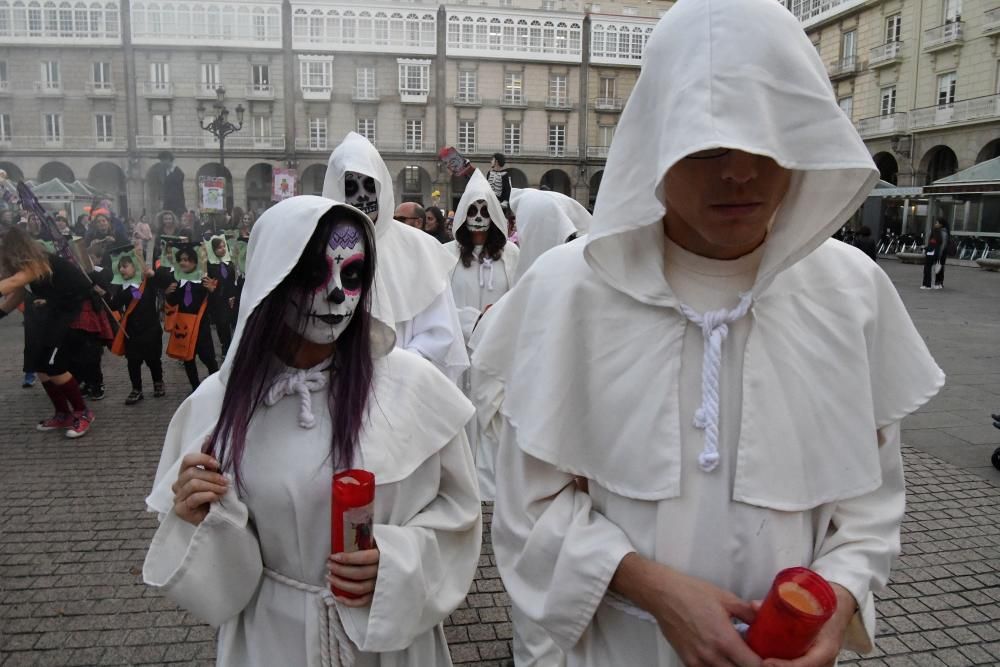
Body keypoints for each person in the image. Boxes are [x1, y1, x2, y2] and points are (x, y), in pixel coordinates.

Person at [472, 1, 946, 665]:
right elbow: (529, 507)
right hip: (620, 645)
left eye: (766, 140)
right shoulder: (569, 291)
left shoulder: (852, 292)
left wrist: (838, 596)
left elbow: (869, 504)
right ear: (660, 140)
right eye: (710, 145)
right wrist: (658, 590)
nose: (740, 172)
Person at [143, 195, 482, 666]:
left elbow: (460, 513)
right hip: (272, 642)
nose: (338, 294)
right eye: (312, 275)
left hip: (387, 639)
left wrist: (397, 565)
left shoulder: (414, 387)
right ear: (272, 279)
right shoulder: (216, 408)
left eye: (354, 274)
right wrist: (198, 517)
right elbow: (221, 587)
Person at [322, 132, 469, 382]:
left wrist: (398, 372)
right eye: (350, 187)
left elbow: (439, 330)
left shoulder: (420, 248)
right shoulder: (317, 247)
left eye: (369, 185)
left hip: (403, 385)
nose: (361, 198)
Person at [0, 226, 96, 438]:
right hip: (56, 313)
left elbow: (12, 283)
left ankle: (83, 412)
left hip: (74, 313)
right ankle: (62, 413)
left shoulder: (37, 262)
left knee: (55, 366)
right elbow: (17, 294)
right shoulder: (27, 265)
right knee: (41, 366)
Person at [445, 170, 519, 347]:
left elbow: (519, 298)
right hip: (457, 346)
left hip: (497, 346)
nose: (478, 217)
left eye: (485, 211)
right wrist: (472, 321)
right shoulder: (445, 253)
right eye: (472, 211)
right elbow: (438, 305)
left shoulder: (511, 253)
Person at [110, 253, 171, 405]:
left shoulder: (147, 282)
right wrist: (103, 294)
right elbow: (113, 305)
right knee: (133, 362)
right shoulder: (121, 288)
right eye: (120, 267)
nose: (122, 270)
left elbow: (165, 282)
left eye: (125, 266)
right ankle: (136, 389)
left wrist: (153, 274)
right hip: (132, 331)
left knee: (153, 360)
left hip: (151, 329)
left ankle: (158, 382)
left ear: (134, 267)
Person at [164, 243, 219, 391]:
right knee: (188, 358)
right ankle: (195, 387)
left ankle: (217, 386)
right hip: (184, 327)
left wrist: (212, 291)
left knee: (208, 358)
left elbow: (214, 306)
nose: (183, 262)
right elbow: (173, 302)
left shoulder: (204, 282)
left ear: (195, 262)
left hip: (201, 327)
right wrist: (168, 294)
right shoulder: (178, 282)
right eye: (181, 259)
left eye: (187, 260)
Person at [205, 235, 237, 357]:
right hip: (217, 299)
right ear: (213, 250)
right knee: (222, 324)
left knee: (231, 323)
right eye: (219, 248)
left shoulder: (229, 263)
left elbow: (232, 281)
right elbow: (209, 282)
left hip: (230, 299)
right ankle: (225, 346)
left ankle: (233, 347)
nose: (222, 249)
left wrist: (233, 295)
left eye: (224, 246)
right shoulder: (209, 265)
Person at [922, 217, 949, 290]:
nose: (935, 224)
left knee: (939, 267)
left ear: (941, 224)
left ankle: (939, 283)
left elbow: (943, 245)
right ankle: (934, 283)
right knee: (935, 267)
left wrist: (939, 254)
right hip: (934, 251)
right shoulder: (935, 231)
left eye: (937, 223)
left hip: (941, 252)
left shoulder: (943, 232)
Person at [159, 151, 186, 216]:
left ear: (168, 159)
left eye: (162, 160)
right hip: (168, 206)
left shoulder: (178, 172)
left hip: (176, 206)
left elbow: (175, 192)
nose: (161, 163)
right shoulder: (165, 172)